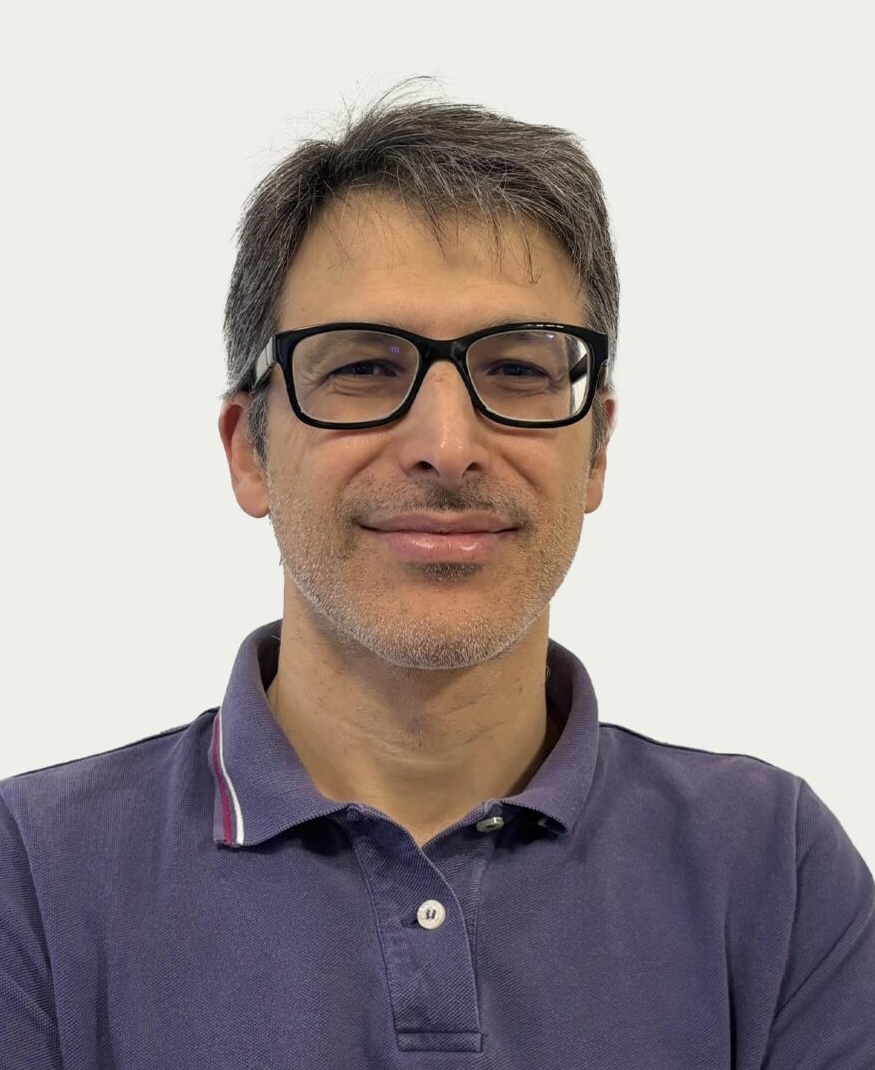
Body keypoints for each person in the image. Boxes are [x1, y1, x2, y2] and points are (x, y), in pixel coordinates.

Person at [1, 91, 873, 1070]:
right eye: (365, 368)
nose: (447, 446)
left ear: (594, 453)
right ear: (249, 450)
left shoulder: (770, 868)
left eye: (516, 369)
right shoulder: (35, 872)